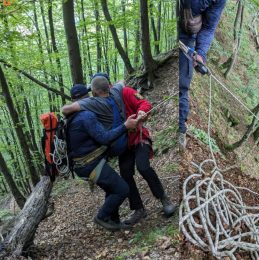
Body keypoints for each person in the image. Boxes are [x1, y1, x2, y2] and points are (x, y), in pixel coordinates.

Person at [62, 75, 176, 226]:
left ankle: (164, 198)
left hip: (138, 137)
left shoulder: (125, 92)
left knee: (143, 166)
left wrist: (142, 112)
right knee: (126, 174)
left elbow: (144, 103)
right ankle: (138, 209)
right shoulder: (95, 105)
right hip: (124, 145)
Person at [66, 84, 138, 231]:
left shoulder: (70, 118)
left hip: (82, 165)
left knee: (112, 188)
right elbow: (104, 138)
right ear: (87, 97)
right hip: (91, 164)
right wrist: (125, 126)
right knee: (122, 189)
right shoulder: (86, 116)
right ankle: (102, 217)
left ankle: (114, 221)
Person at [178, 0, 226, 148]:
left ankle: (180, 129)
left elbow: (209, 27)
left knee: (183, 85)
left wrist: (201, 53)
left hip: (187, 38)